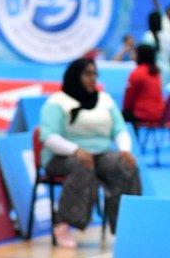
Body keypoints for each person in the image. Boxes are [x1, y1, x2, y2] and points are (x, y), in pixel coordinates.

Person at [38, 57, 142, 247]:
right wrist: (76, 150)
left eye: (95, 74)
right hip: (62, 157)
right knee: (83, 166)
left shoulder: (105, 100)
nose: (93, 78)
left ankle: (126, 226)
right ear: (75, 76)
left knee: (125, 165)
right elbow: (49, 137)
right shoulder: (57, 101)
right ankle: (63, 223)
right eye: (88, 74)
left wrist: (125, 150)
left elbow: (119, 129)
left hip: (100, 154)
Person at [122, 44, 163, 125]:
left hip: (143, 115)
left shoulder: (137, 73)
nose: (133, 55)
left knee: (118, 117)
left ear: (140, 55)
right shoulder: (156, 73)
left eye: (135, 53)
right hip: (159, 115)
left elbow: (128, 100)